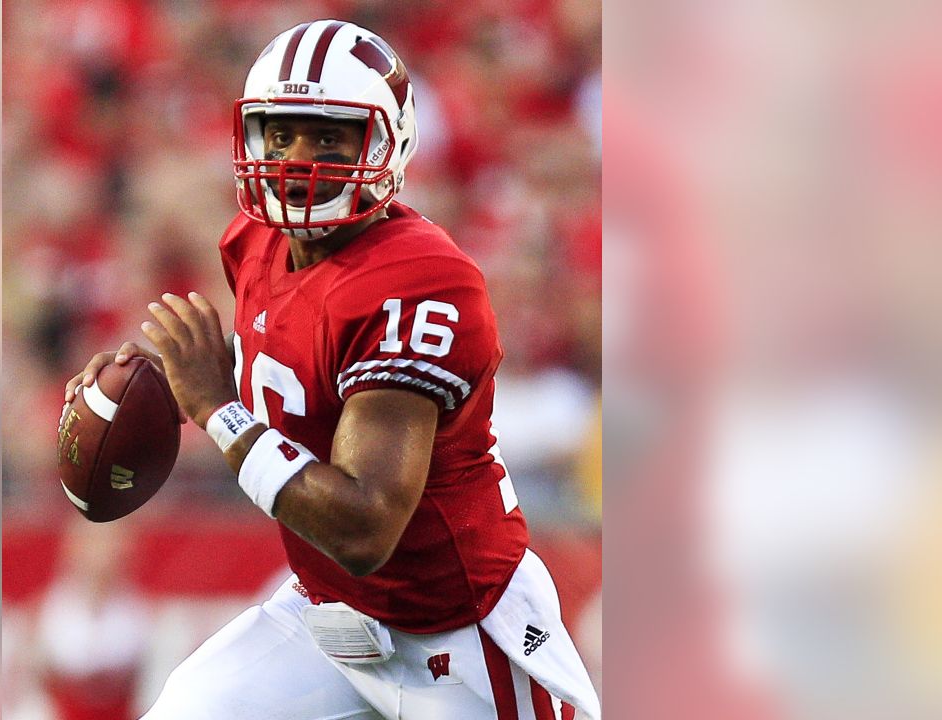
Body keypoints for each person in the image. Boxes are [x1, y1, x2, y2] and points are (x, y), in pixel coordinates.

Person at [65, 20, 602, 720]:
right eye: (281, 134)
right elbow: (292, 364)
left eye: (327, 136)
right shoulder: (255, 241)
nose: (297, 158)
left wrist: (218, 409)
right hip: (330, 618)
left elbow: (363, 529)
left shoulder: (421, 281)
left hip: (457, 635)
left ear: (386, 142)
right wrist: (170, 385)